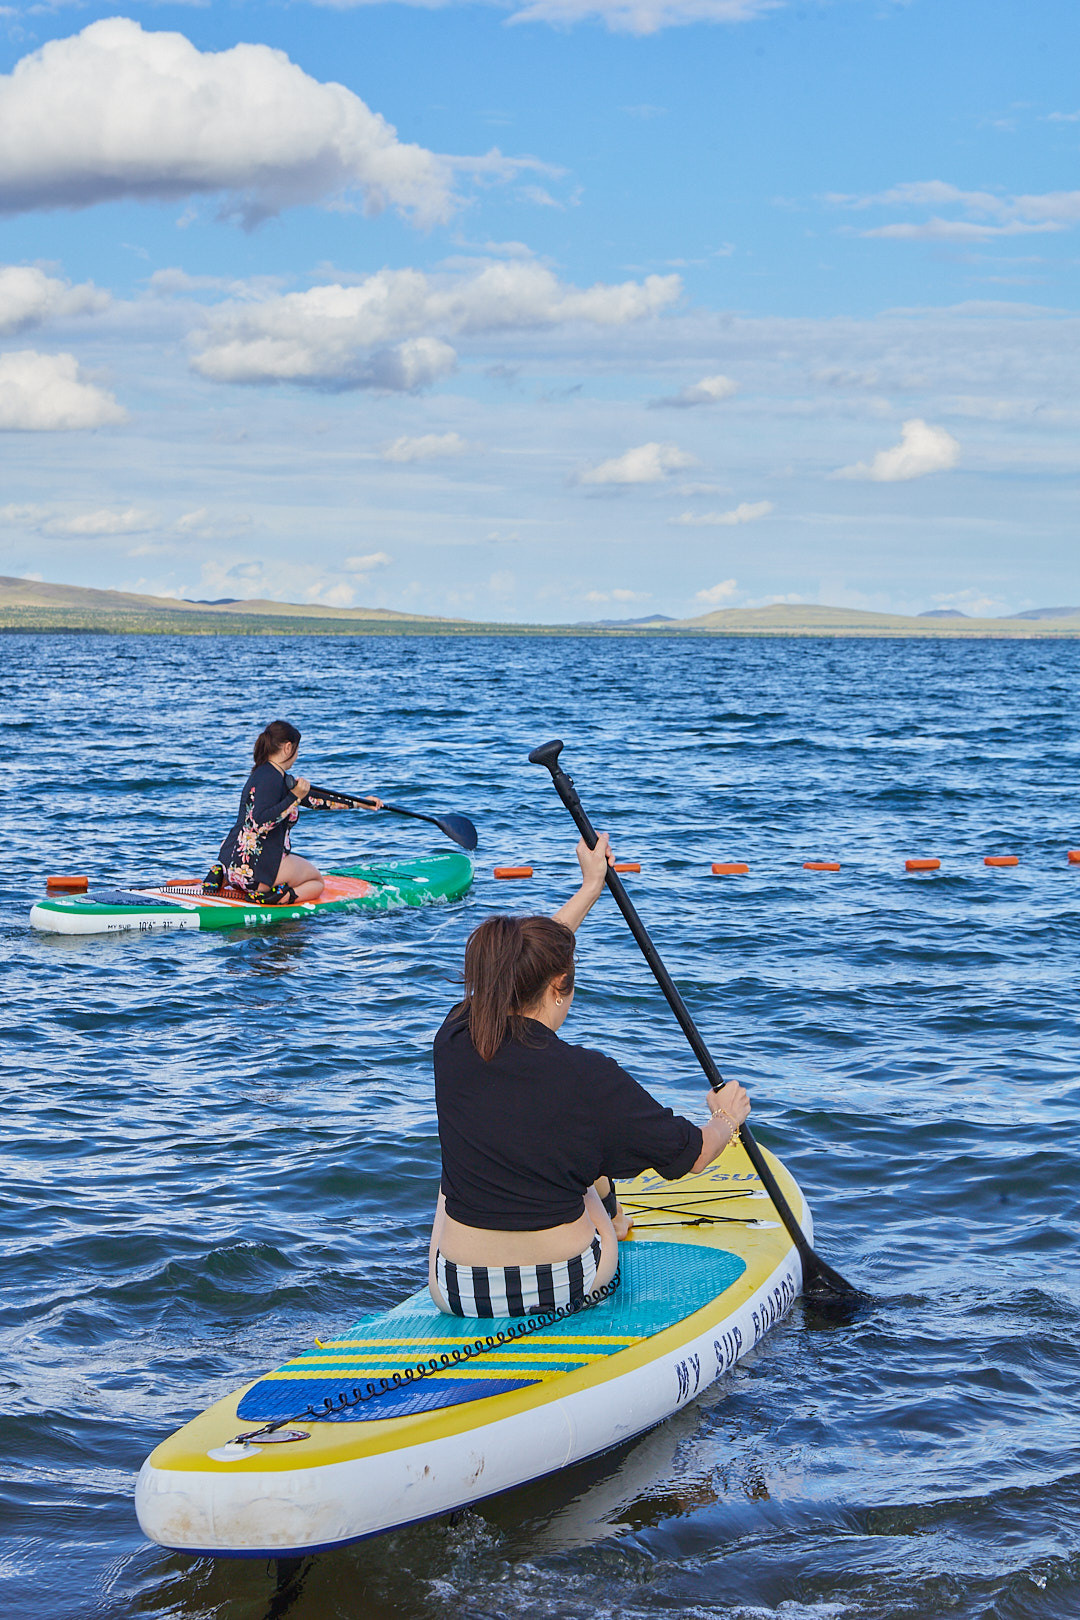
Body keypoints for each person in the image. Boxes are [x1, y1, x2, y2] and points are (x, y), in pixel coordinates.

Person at [428, 833, 751, 1317]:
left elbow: (522, 967)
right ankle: (615, 1221)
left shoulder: (452, 1037)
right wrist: (725, 1118)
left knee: (473, 1162)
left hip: (456, 1289)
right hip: (566, 1280)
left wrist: (590, 887)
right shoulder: (589, 1076)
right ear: (560, 987)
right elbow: (695, 1156)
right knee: (585, 1142)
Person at [206, 720, 382, 904]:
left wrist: (360, 803)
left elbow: (316, 800)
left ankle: (220, 875)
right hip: (254, 875)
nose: (297, 755)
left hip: (231, 865)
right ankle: (277, 897)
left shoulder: (263, 774)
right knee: (316, 882)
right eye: (298, 750)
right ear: (288, 748)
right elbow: (260, 822)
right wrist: (294, 797)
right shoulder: (273, 779)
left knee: (262, 864)